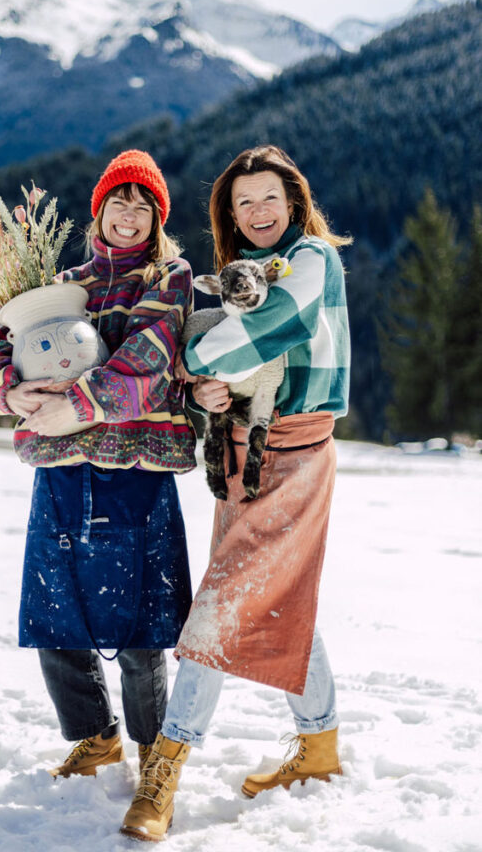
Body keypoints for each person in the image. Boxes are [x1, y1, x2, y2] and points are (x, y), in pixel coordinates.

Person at [121, 144, 351, 841]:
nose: (255, 212)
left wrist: (185, 364)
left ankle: (167, 764)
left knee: (220, 605)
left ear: (294, 203)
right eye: (241, 202)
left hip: (296, 451)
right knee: (274, 593)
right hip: (244, 450)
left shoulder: (311, 258)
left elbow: (267, 325)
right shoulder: (245, 268)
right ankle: (318, 748)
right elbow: (239, 359)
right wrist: (212, 390)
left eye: (267, 199)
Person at [0, 150, 196, 779]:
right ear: (98, 210)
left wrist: (78, 405)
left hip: (136, 469)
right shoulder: (57, 283)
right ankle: (95, 737)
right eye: (118, 202)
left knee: (140, 621)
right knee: (55, 611)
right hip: (61, 469)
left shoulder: (167, 277)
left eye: (143, 207)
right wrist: (9, 394)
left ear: (157, 220)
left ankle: (157, 750)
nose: (129, 216)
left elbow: (148, 361)